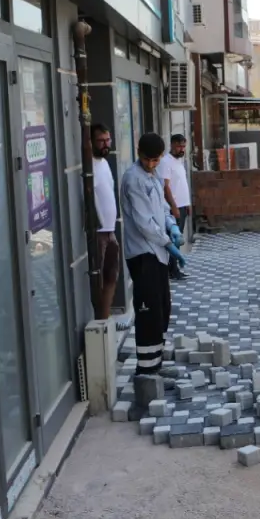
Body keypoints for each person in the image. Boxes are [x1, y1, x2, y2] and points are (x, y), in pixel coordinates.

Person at [119, 133, 186, 376]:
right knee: (148, 311)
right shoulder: (133, 179)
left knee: (162, 308)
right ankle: (146, 372)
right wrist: (168, 243)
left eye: (155, 160)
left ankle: (156, 363)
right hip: (142, 254)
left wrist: (172, 225)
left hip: (157, 253)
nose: (151, 164)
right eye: (147, 160)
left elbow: (162, 210)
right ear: (139, 153)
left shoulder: (153, 175)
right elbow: (144, 222)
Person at [91, 124, 122, 319]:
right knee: (99, 278)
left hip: (111, 229)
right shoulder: (90, 164)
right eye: (101, 140)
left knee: (112, 274)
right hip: (99, 231)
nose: (106, 144)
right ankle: (99, 320)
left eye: (108, 140)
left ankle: (106, 316)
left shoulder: (104, 162)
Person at [158, 133, 192, 280]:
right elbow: (166, 187)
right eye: (179, 146)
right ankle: (172, 270)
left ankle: (174, 268)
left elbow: (182, 185)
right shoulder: (166, 162)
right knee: (174, 239)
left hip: (183, 206)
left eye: (184, 146)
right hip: (174, 208)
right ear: (171, 145)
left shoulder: (179, 161)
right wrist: (174, 206)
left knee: (178, 240)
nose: (182, 149)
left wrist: (188, 204)